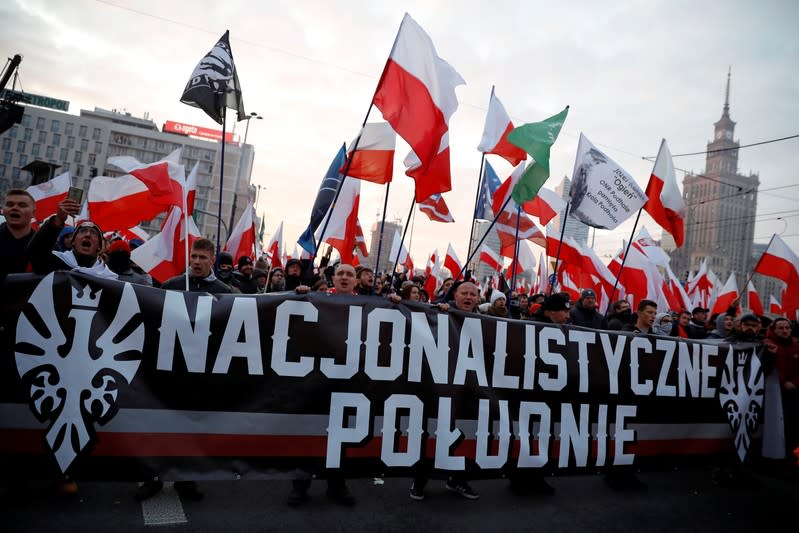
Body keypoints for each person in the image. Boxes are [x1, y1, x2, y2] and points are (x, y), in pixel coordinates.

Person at [137, 238, 232, 502]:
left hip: (201, 372)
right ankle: (152, 477)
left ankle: (185, 479)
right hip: (169, 367)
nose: (197, 262)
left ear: (213, 259)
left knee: (191, 428)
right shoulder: (171, 286)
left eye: (203, 257)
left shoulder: (226, 292)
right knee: (159, 424)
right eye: (194, 257)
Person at [287, 263, 357, 506]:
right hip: (317, 379)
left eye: (350, 275)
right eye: (341, 274)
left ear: (356, 282)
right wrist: (300, 295)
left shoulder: (370, 306)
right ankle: (300, 484)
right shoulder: (316, 300)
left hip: (348, 381)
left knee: (340, 435)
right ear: (333, 279)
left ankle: (337, 484)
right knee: (310, 431)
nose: (345, 278)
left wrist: (394, 301)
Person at [410, 281, 481, 501]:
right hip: (438, 386)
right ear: (455, 295)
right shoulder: (442, 313)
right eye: (464, 293)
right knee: (433, 433)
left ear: (478, 299)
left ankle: (456, 479)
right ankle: (420, 481)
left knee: (462, 434)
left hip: (467, 388)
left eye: (473, 294)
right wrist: (439, 310)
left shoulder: (484, 322)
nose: (468, 297)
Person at [28, 198, 117, 280]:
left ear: (99, 246)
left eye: (93, 233)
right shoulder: (55, 262)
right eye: (83, 231)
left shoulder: (109, 279)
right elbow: (35, 252)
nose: (88, 234)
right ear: (73, 242)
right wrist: (58, 220)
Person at [764, 317, 799, 469]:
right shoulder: (767, 345)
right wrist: (783, 382)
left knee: (792, 427)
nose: (784, 331)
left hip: (794, 392)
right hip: (774, 394)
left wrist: (794, 383)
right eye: (781, 328)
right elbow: (769, 368)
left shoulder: (796, 347)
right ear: (774, 329)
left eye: (787, 328)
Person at [1, 188, 36, 279]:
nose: (15, 208)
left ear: (33, 213)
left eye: (22, 205)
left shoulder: (43, 245)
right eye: (10, 204)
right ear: (3, 210)